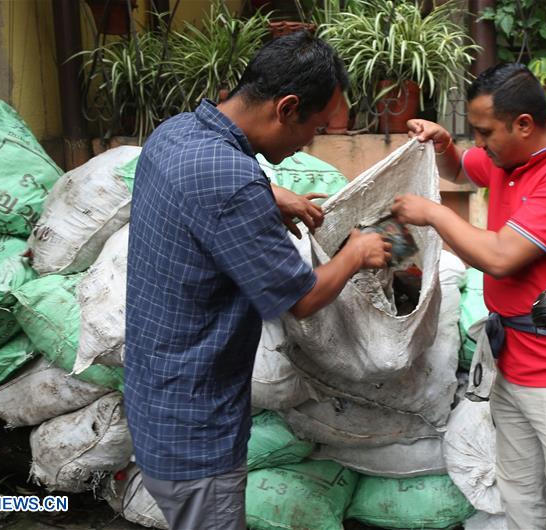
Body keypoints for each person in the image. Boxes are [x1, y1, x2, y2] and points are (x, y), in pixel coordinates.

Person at [124, 32, 391, 530]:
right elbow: (303, 298)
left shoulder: (176, 133)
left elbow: (210, 184)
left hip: (157, 400)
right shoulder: (233, 182)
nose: (309, 142)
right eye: (313, 127)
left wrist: (269, 192)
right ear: (287, 107)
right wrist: (357, 253)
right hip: (197, 432)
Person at [391, 63, 546, 529]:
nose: (480, 142)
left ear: (524, 125)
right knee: (519, 496)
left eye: (483, 131)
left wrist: (433, 213)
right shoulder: (506, 159)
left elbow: (500, 256)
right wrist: (442, 144)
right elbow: (460, 168)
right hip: (511, 361)